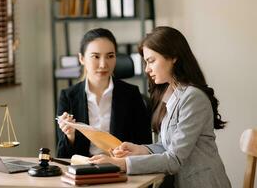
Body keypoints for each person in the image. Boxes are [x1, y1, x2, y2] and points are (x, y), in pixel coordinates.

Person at [89, 26, 231, 188]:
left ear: (173, 57)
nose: (147, 69)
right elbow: (167, 145)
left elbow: (174, 158)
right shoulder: (172, 95)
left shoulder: (193, 98)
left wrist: (121, 163)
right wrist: (139, 150)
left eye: (151, 61)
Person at [56, 28, 152, 158]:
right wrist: (70, 136)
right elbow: (62, 156)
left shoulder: (131, 94)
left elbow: (145, 146)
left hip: (121, 169)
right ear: (82, 58)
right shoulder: (68, 97)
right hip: (84, 171)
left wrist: (125, 153)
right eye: (96, 56)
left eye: (110, 56)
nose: (103, 64)